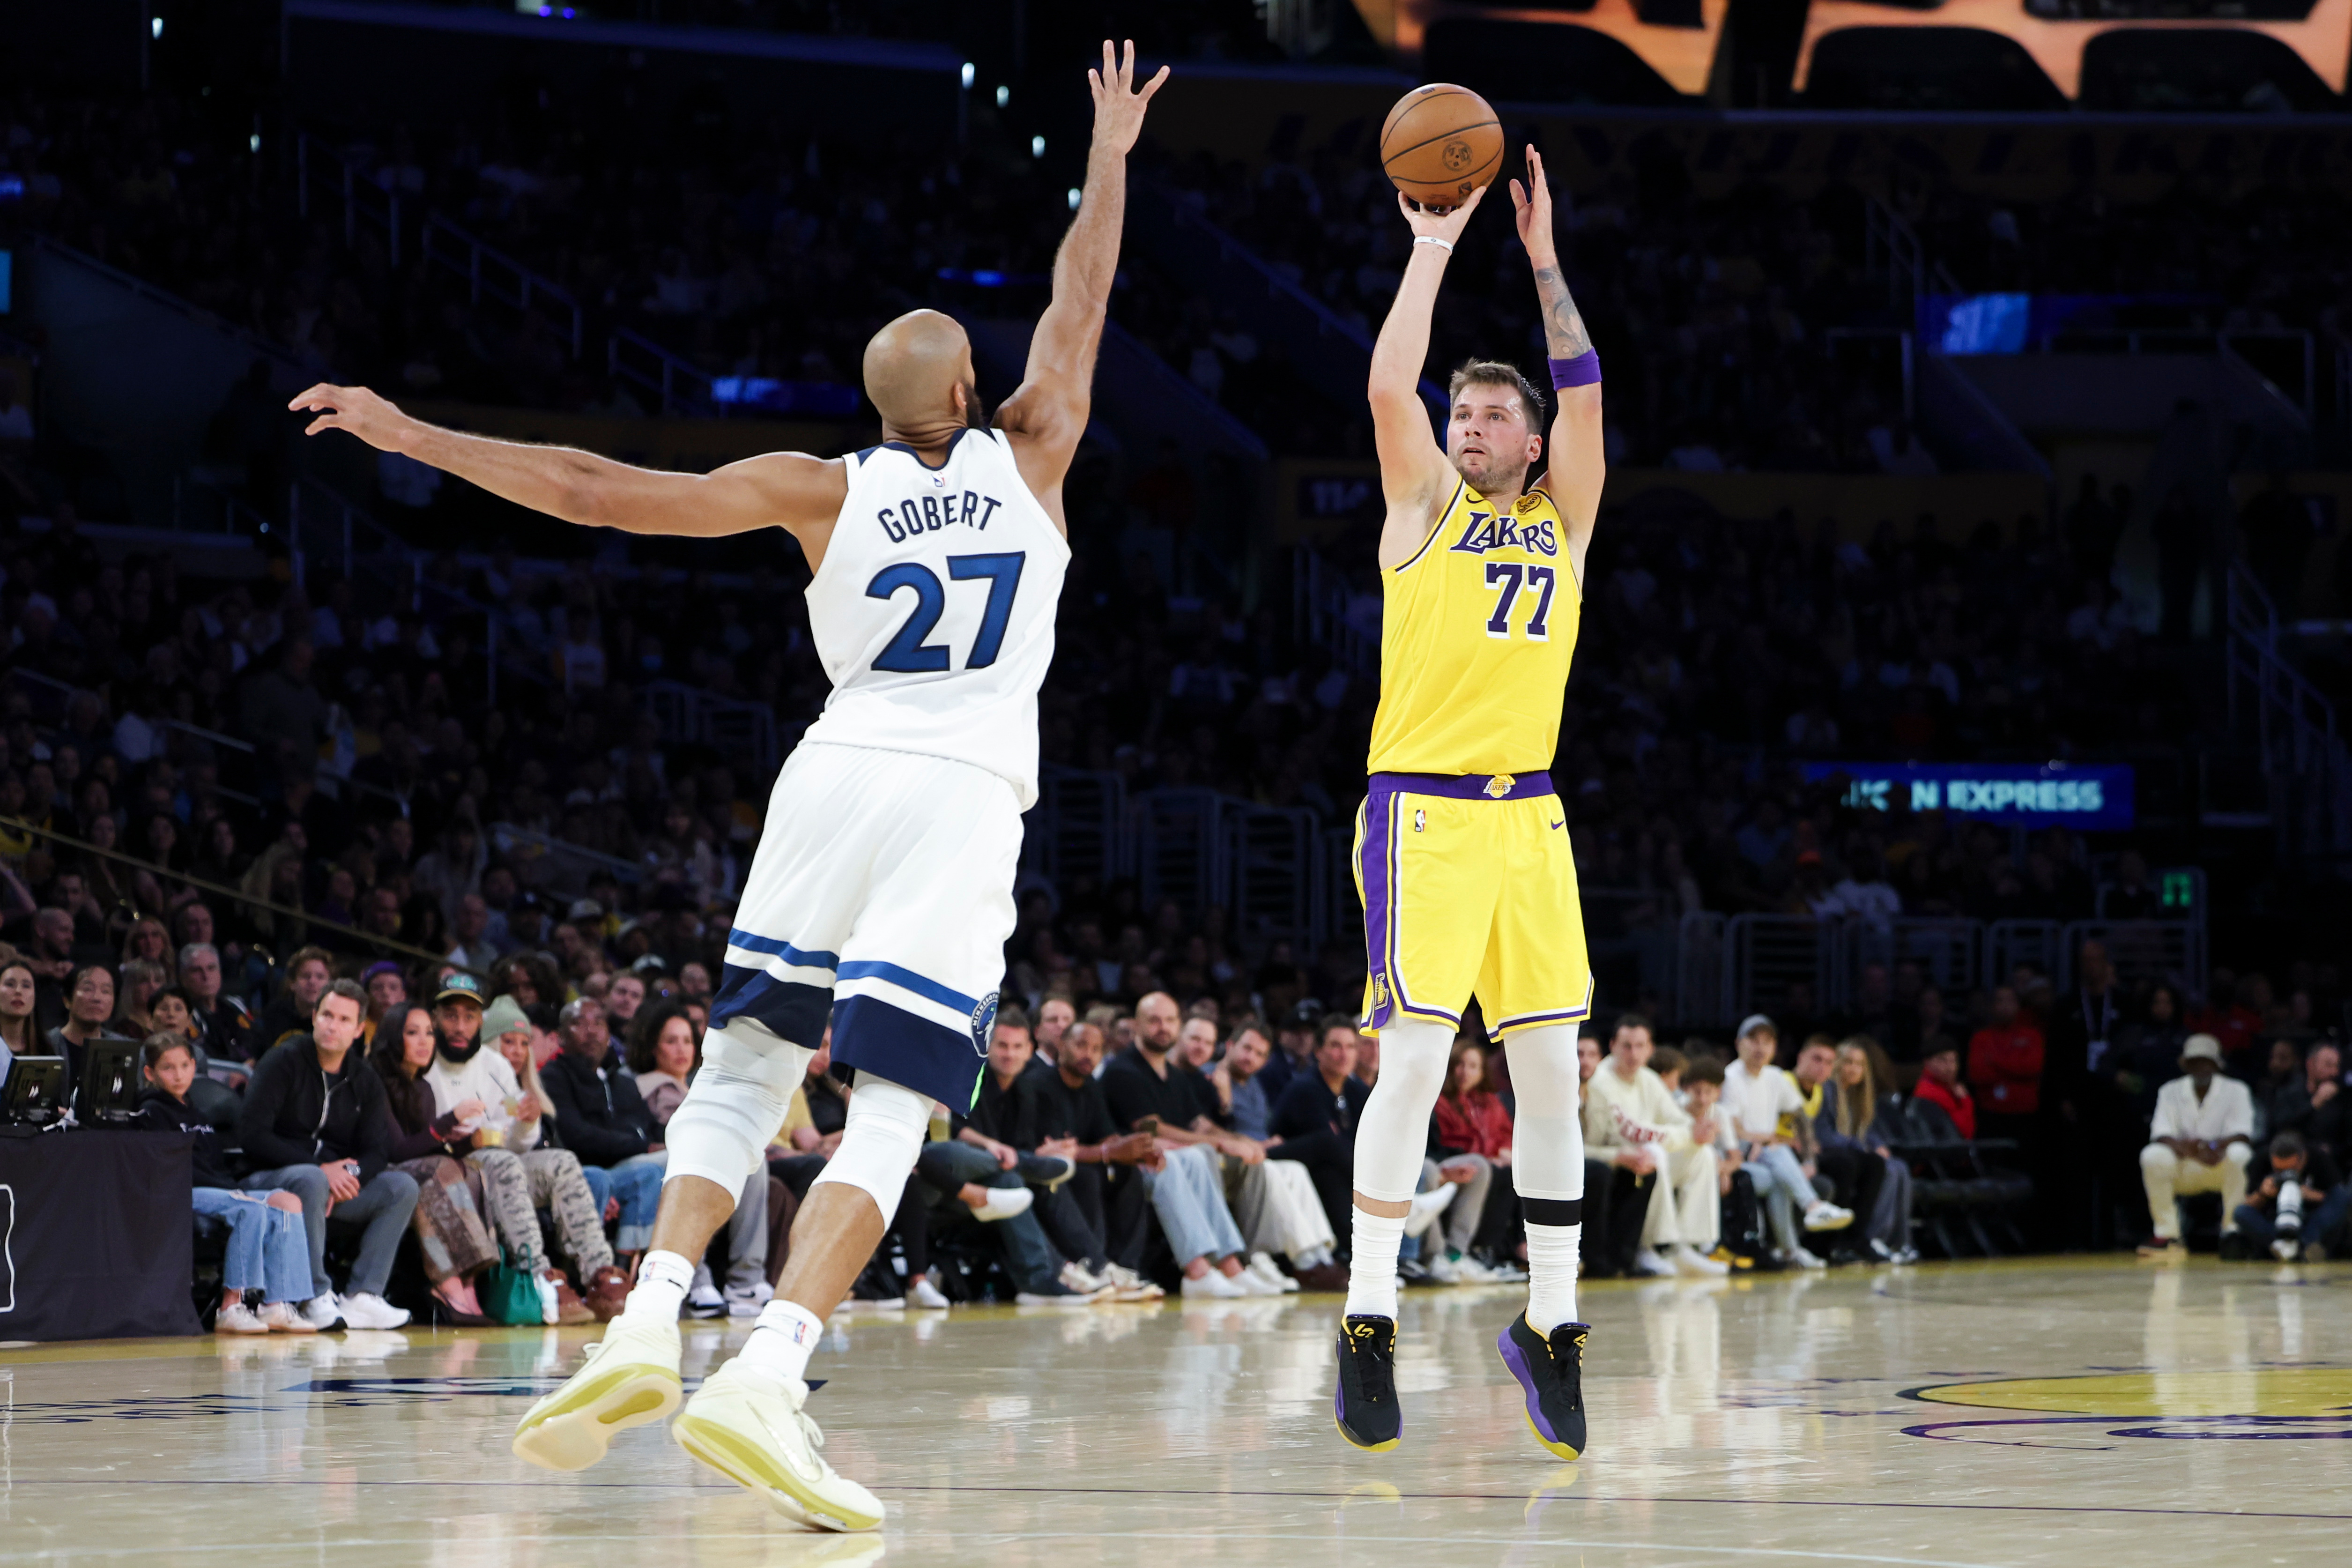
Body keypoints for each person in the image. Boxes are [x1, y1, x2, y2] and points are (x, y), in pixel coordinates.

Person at [304, 45, 1164, 1530]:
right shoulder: (1035, 450)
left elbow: (592, 486)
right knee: (896, 1099)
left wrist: (413, 431)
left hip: (827, 774)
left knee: (743, 1068)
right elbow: (1079, 293)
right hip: (959, 789)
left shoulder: (815, 484)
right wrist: (1108, 150)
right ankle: (770, 1365)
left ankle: (642, 1323)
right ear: (971, 386)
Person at [1330, 143, 1604, 1461]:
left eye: (1492, 416)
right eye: (1463, 415)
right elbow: (1389, 381)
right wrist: (1432, 246)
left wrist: (1544, 256)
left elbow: (1589, 390)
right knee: (1418, 1061)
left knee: (1555, 1078)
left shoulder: (1564, 517)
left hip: (1530, 821)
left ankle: (1548, 1322)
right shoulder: (1421, 506)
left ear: (1532, 440)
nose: (1468, 425)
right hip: (1424, 814)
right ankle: (1368, 1313)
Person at [236, 979, 418, 1330]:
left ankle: (365, 1295)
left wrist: (349, 1176)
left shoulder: (364, 1078)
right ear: (315, 1017)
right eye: (327, 1015)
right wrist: (322, 1169)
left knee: (401, 1187)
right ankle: (312, 1293)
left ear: (358, 1029)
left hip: (328, 1190)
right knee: (311, 1177)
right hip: (269, 1180)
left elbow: (378, 1150)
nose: (333, 1026)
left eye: (344, 1020)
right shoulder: (283, 1061)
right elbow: (252, 1135)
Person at [137, 1034, 319, 1335]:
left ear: (195, 1066)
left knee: (288, 1203)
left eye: (185, 1065)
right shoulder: (151, 1113)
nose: (179, 1074)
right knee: (251, 1209)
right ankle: (230, 1307)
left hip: (221, 1189)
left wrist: (231, 1187)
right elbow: (174, 1169)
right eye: (168, 1068)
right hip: (182, 1192)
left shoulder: (198, 1113)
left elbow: (216, 1165)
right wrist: (231, 1190)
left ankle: (278, 1302)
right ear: (150, 1073)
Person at [1103, 991, 1276, 1298]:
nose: (1162, 1027)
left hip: (1164, 1154)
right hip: (1129, 1160)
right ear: (1137, 1025)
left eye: (1169, 1020)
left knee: (1197, 1157)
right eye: (1154, 1020)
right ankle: (1197, 1270)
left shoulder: (1174, 1074)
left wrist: (1236, 1140)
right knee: (1180, 1159)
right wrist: (1221, 1144)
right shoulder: (1122, 1069)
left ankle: (1230, 1265)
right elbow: (1149, 1125)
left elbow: (1199, 1122)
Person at [365, 1001, 503, 1323]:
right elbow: (398, 1150)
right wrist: (449, 1120)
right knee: (432, 1173)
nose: (425, 1041)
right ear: (393, 1037)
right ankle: (447, 1282)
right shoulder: (373, 1081)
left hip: (413, 1168)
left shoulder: (422, 1087)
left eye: (429, 1032)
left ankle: (468, 1284)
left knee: (471, 1169)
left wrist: (469, 1142)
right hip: (376, 1170)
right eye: (413, 1033)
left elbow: (425, 1147)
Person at [1582, 1015, 1723, 1279]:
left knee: (1703, 1152)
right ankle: (1655, 1246)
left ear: (1650, 1049)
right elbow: (1632, 1132)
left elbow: (1681, 1121)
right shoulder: (1600, 1082)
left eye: (1640, 1046)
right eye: (1627, 1046)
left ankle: (1688, 1244)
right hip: (1616, 1161)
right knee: (1655, 1152)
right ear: (1613, 1046)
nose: (1633, 1054)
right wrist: (1684, 1134)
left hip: (1642, 1157)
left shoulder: (1648, 1079)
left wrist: (1692, 1134)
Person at [1721, 1018, 1852, 1269]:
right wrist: (1768, 1138)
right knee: (1779, 1154)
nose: (1760, 1048)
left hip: (1764, 1160)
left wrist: (1809, 1160)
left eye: (1767, 1042)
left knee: (1778, 1177)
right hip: (1736, 1156)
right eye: (1753, 1041)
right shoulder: (1731, 1077)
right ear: (1739, 1044)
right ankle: (1812, 1208)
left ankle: (1790, 1250)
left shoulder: (1775, 1076)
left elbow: (1801, 1118)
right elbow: (1735, 1130)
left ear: (1775, 1047)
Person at [2137, 1033, 2256, 1259]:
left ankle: (2232, 1232)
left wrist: (2213, 1146)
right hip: (2184, 1166)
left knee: (2241, 1155)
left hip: (2219, 1164)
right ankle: (2167, 1235)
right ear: (2187, 1065)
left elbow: (2244, 1133)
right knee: (2152, 1156)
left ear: (2216, 1064)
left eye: (2206, 1061)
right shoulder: (2169, 1091)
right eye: (2195, 1062)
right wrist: (2188, 1150)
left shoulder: (2237, 1090)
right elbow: (2161, 1133)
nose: (2201, 1067)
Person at [1425, 1039, 1513, 1279]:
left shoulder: (1491, 1102)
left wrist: (1505, 1151)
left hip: (1481, 1161)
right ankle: (1437, 1255)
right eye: (1461, 1065)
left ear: (1483, 1072)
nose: (1466, 1072)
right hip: (1443, 1159)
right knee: (1483, 1168)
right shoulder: (1439, 1100)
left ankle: (1460, 1252)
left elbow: (1506, 1134)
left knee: (1510, 1172)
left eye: (1474, 1066)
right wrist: (1491, 1155)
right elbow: (1446, 1143)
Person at [1828, 1042, 1917, 1263]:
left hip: (1859, 1154)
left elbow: (1869, 1130)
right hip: (1842, 1156)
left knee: (1900, 1167)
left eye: (1859, 1064)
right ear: (1837, 1064)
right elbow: (1828, 1133)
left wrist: (1877, 1144)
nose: (1853, 1069)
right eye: (1848, 1062)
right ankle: (1875, 1236)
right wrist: (1865, 1148)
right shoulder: (1829, 1093)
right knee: (1886, 1169)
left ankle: (1900, 1241)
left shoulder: (1861, 1098)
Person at [1911, 1039, 1976, 1138]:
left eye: (1954, 1060)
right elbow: (1965, 1132)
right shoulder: (1930, 1092)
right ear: (1927, 1062)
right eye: (1943, 1060)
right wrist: (1965, 1100)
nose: (1951, 1068)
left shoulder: (1949, 1088)